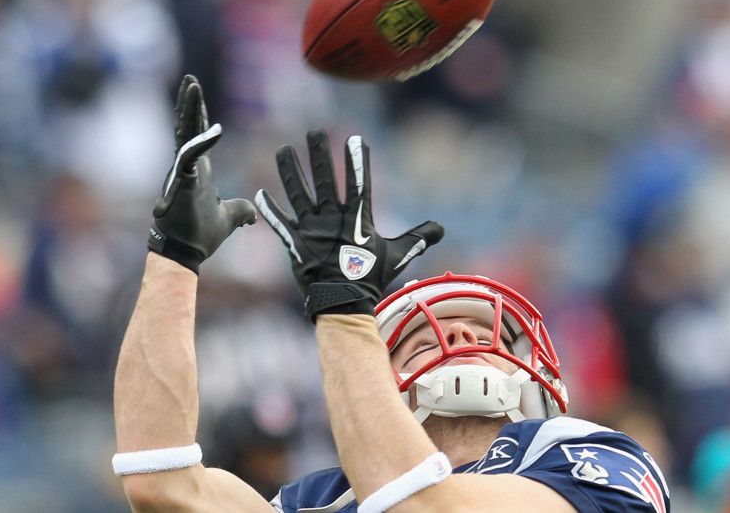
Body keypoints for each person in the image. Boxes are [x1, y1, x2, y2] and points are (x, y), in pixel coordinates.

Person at [112, 75, 671, 512]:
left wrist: (342, 303)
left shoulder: (584, 456)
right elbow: (161, 484)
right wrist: (173, 259)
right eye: (424, 337)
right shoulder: (325, 499)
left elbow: (423, 506)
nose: (459, 334)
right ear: (372, 379)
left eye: (485, 332)